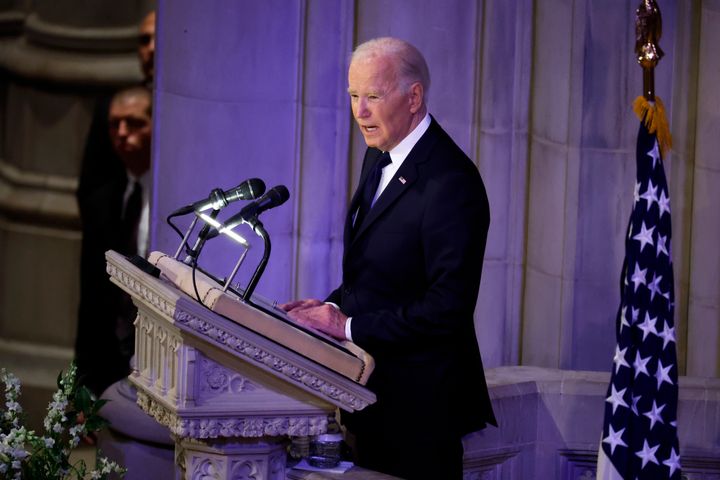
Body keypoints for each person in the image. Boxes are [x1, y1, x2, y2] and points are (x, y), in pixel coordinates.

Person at [282, 37, 496, 479]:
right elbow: (376, 271)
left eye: (373, 97)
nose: (359, 111)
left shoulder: (451, 181)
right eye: (354, 96)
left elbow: (447, 308)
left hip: (421, 414)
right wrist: (331, 306)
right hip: (371, 399)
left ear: (413, 97)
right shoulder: (378, 157)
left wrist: (346, 327)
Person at [74, 86, 153, 396]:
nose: (122, 132)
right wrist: (84, 383)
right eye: (114, 124)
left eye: (134, 123)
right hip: (111, 363)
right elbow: (91, 297)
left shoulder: (170, 198)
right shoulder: (104, 200)